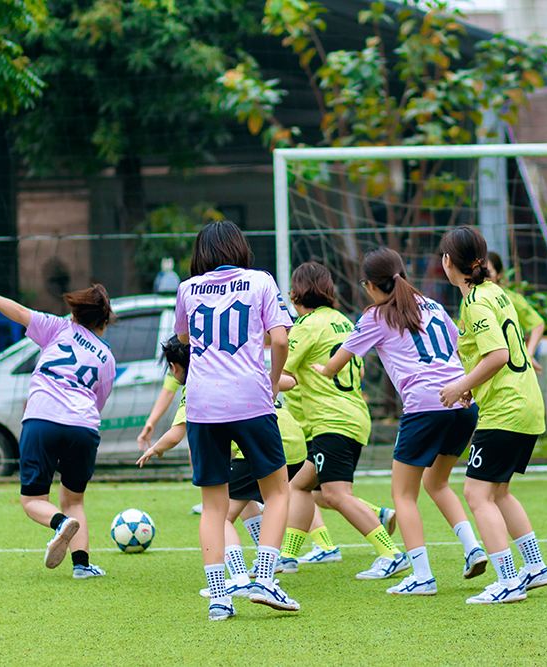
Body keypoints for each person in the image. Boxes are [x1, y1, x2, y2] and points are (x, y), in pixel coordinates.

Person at [313, 248, 486, 596]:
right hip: (462, 403)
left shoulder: (376, 316)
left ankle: (422, 575)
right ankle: (473, 548)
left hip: (425, 408)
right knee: (437, 483)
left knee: (403, 494)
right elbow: (462, 348)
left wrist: (320, 370)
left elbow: (335, 364)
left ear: (370, 285)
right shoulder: (433, 306)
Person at [0, 266, 115, 579]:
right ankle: (82, 566)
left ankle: (60, 524)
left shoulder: (58, 327)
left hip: (42, 419)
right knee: (74, 500)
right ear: (104, 323)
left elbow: (18, 312)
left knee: (32, 501)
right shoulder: (107, 358)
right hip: (83, 427)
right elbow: (99, 403)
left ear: (75, 314)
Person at [173, 220, 299, 620]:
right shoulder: (260, 280)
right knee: (277, 492)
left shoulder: (187, 288)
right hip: (250, 399)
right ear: (239, 248)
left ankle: (218, 598)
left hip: (201, 404)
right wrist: (273, 382)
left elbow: (185, 340)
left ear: (202, 254)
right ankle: (264, 579)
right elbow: (281, 339)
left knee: (213, 505)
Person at [137, 336, 307, 596]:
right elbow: (289, 381)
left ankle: (240, 577)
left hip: (264, 446)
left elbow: (176, 433)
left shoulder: (198, 387)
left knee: (220, 514)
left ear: (175, 366)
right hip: (294, 445)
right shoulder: (240, 370)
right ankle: (267, 563)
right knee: (248, 498)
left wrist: (155, 448)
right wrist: (272, 380)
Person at [438, 226, 547, 604]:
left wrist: (458, 386)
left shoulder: (475, 302)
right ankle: (534, 566)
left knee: (476, 493)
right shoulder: (496, 292)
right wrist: (473, 385)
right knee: (498, 490)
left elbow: (499, 355)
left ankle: (507, 580)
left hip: (506, 409)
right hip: (526, 403)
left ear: (448, 262)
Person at [278, 262, 405, 579]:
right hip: (354, 416)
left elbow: (283, 375)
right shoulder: (344, 322)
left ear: (295, 293)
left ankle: (391, 553)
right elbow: (358, 372)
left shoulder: (306, 326)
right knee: (300, 486)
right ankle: (288, 557)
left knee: (335, 494)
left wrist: (251, 381)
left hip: (331, 420)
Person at [482, 251, 546, 373]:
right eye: (479, 271)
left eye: (488, 272)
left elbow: (538, 324)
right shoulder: (469, 301)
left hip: (510, 369)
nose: (483, 276)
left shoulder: (510, 298)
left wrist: (529, 354)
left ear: (499, 274)